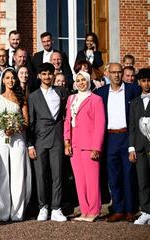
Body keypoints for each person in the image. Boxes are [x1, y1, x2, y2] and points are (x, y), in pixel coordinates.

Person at [95, 62, 141, 222]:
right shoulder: (100, 93)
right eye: (113, 72)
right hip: (109, 138)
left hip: (127, 136)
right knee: (113, 176)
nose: (116, 75)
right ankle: (119, 209)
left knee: (129, 174)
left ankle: (130, 210)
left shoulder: (133, 90)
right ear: (107, 73)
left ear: (122, 73)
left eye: (119, 72)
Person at [27, 63, 68, 222]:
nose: (47, 77)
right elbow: (30, 122)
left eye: (49, 74)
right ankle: (43, 207)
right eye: (43, 74)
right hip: (39, 140)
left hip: (57, 139)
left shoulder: (61, 92)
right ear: (39, 76)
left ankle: (56, 208)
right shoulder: (33, 96)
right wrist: (30, 144)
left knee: (57, 175)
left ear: (53, 75)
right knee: (41, 175)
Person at [64, 71, 106, 222]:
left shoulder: (96, 99)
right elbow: (67, 121)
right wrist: (66, 141)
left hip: (89, 146)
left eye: (84, 80)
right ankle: (85, 210)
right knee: (79, 180)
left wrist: (96, 147)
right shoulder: (71, 99)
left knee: (92, 179)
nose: (81, 82)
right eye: (78, 80)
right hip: (74, 145)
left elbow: (100, 125)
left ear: (88, 81)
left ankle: (94, 210)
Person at [0, 67, 31, 221]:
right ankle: (3, 212)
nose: (10, 80)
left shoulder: (21, 98)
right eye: (7, 78)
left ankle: (17, 212)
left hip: (18, 138)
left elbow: (26, 122)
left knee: (17, 174)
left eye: (13, 78)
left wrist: (15, 128)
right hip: (1, 139)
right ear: (3, 80)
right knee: (2, 174)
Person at [128, 68, 150, 225]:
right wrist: (131, 148)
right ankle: (146, 211)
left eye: (149, 80)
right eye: (143, 81)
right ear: (139, 82)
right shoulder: (135, 103)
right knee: (142, 181)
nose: (147, 84)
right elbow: (132, 127)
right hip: (140, 148)